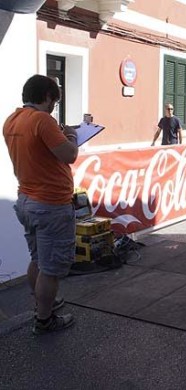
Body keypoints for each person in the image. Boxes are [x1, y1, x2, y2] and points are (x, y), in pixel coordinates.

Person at [3, 75, 78, 334]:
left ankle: (44, 302)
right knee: (51, 268)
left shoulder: (12, 120)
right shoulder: (43, 121)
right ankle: (44, 320)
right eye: (53, 102)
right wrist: (73, 137)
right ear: (46, 97)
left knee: (37, 259)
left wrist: (59, 134)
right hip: (51, 205)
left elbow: (38, 152)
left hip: (26, 200)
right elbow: (70, 155)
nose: (53, 107)